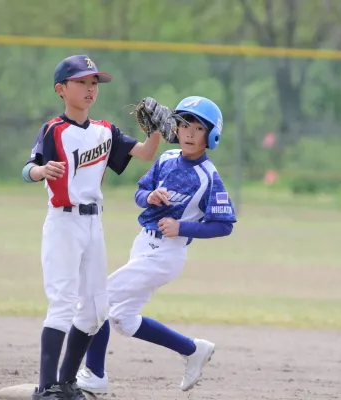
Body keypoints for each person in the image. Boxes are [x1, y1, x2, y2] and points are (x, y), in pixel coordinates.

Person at [21, 54, 170, 400]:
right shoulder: (53, 130)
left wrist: (156, 131)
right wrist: (41, 171)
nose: (90, 88)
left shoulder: (105, 131)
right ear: (61, 89)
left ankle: (66, 382)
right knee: (63, 303)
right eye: (81, 82)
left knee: (95, 310)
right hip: (63, 222)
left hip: (93, 224)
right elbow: (27, 169)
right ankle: (46, 387)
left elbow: (145, 153)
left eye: (93, 83)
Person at [75, 96, 237, 394]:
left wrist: (181, 227)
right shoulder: (167, 158)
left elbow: (224, 224)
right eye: (184, 124)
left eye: (198, 128)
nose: (189, 133)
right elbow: (140, 192)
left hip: (167, 254)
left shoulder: (208, 176)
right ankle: (192, 349)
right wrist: (148, 197)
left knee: (99, 300)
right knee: (122, 319)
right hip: (143, 245)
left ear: (211, 136)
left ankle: (95, 375)